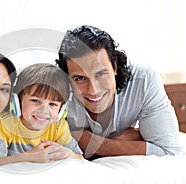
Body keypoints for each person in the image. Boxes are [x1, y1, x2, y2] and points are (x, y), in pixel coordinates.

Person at [56, 25, 182, 159]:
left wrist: (91, 143)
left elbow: (169, 151)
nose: (93, 90)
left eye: (101, 74)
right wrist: (132, 138)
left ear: (114, 67)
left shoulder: (143, 80)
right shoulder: (54, 88)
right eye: (80, 78)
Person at [0, 63, 83, 166]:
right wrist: (31, 157)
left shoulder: (59, 127)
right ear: (17, 101)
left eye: (52, 104)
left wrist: (68, 153)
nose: (44, 110)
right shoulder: (5, 122)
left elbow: (80, 158)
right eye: (35, 100)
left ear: (62, 110)